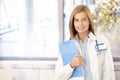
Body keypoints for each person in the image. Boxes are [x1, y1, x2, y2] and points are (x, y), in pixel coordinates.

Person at [54, 5, 115, 80]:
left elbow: (108, 71)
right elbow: (58, 77)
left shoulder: (101, 41)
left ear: (89, 21)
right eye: (76, 20)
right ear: (73, 22)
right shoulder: (67, 46)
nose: (80, 24)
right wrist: (71, 65)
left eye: (84, 20)